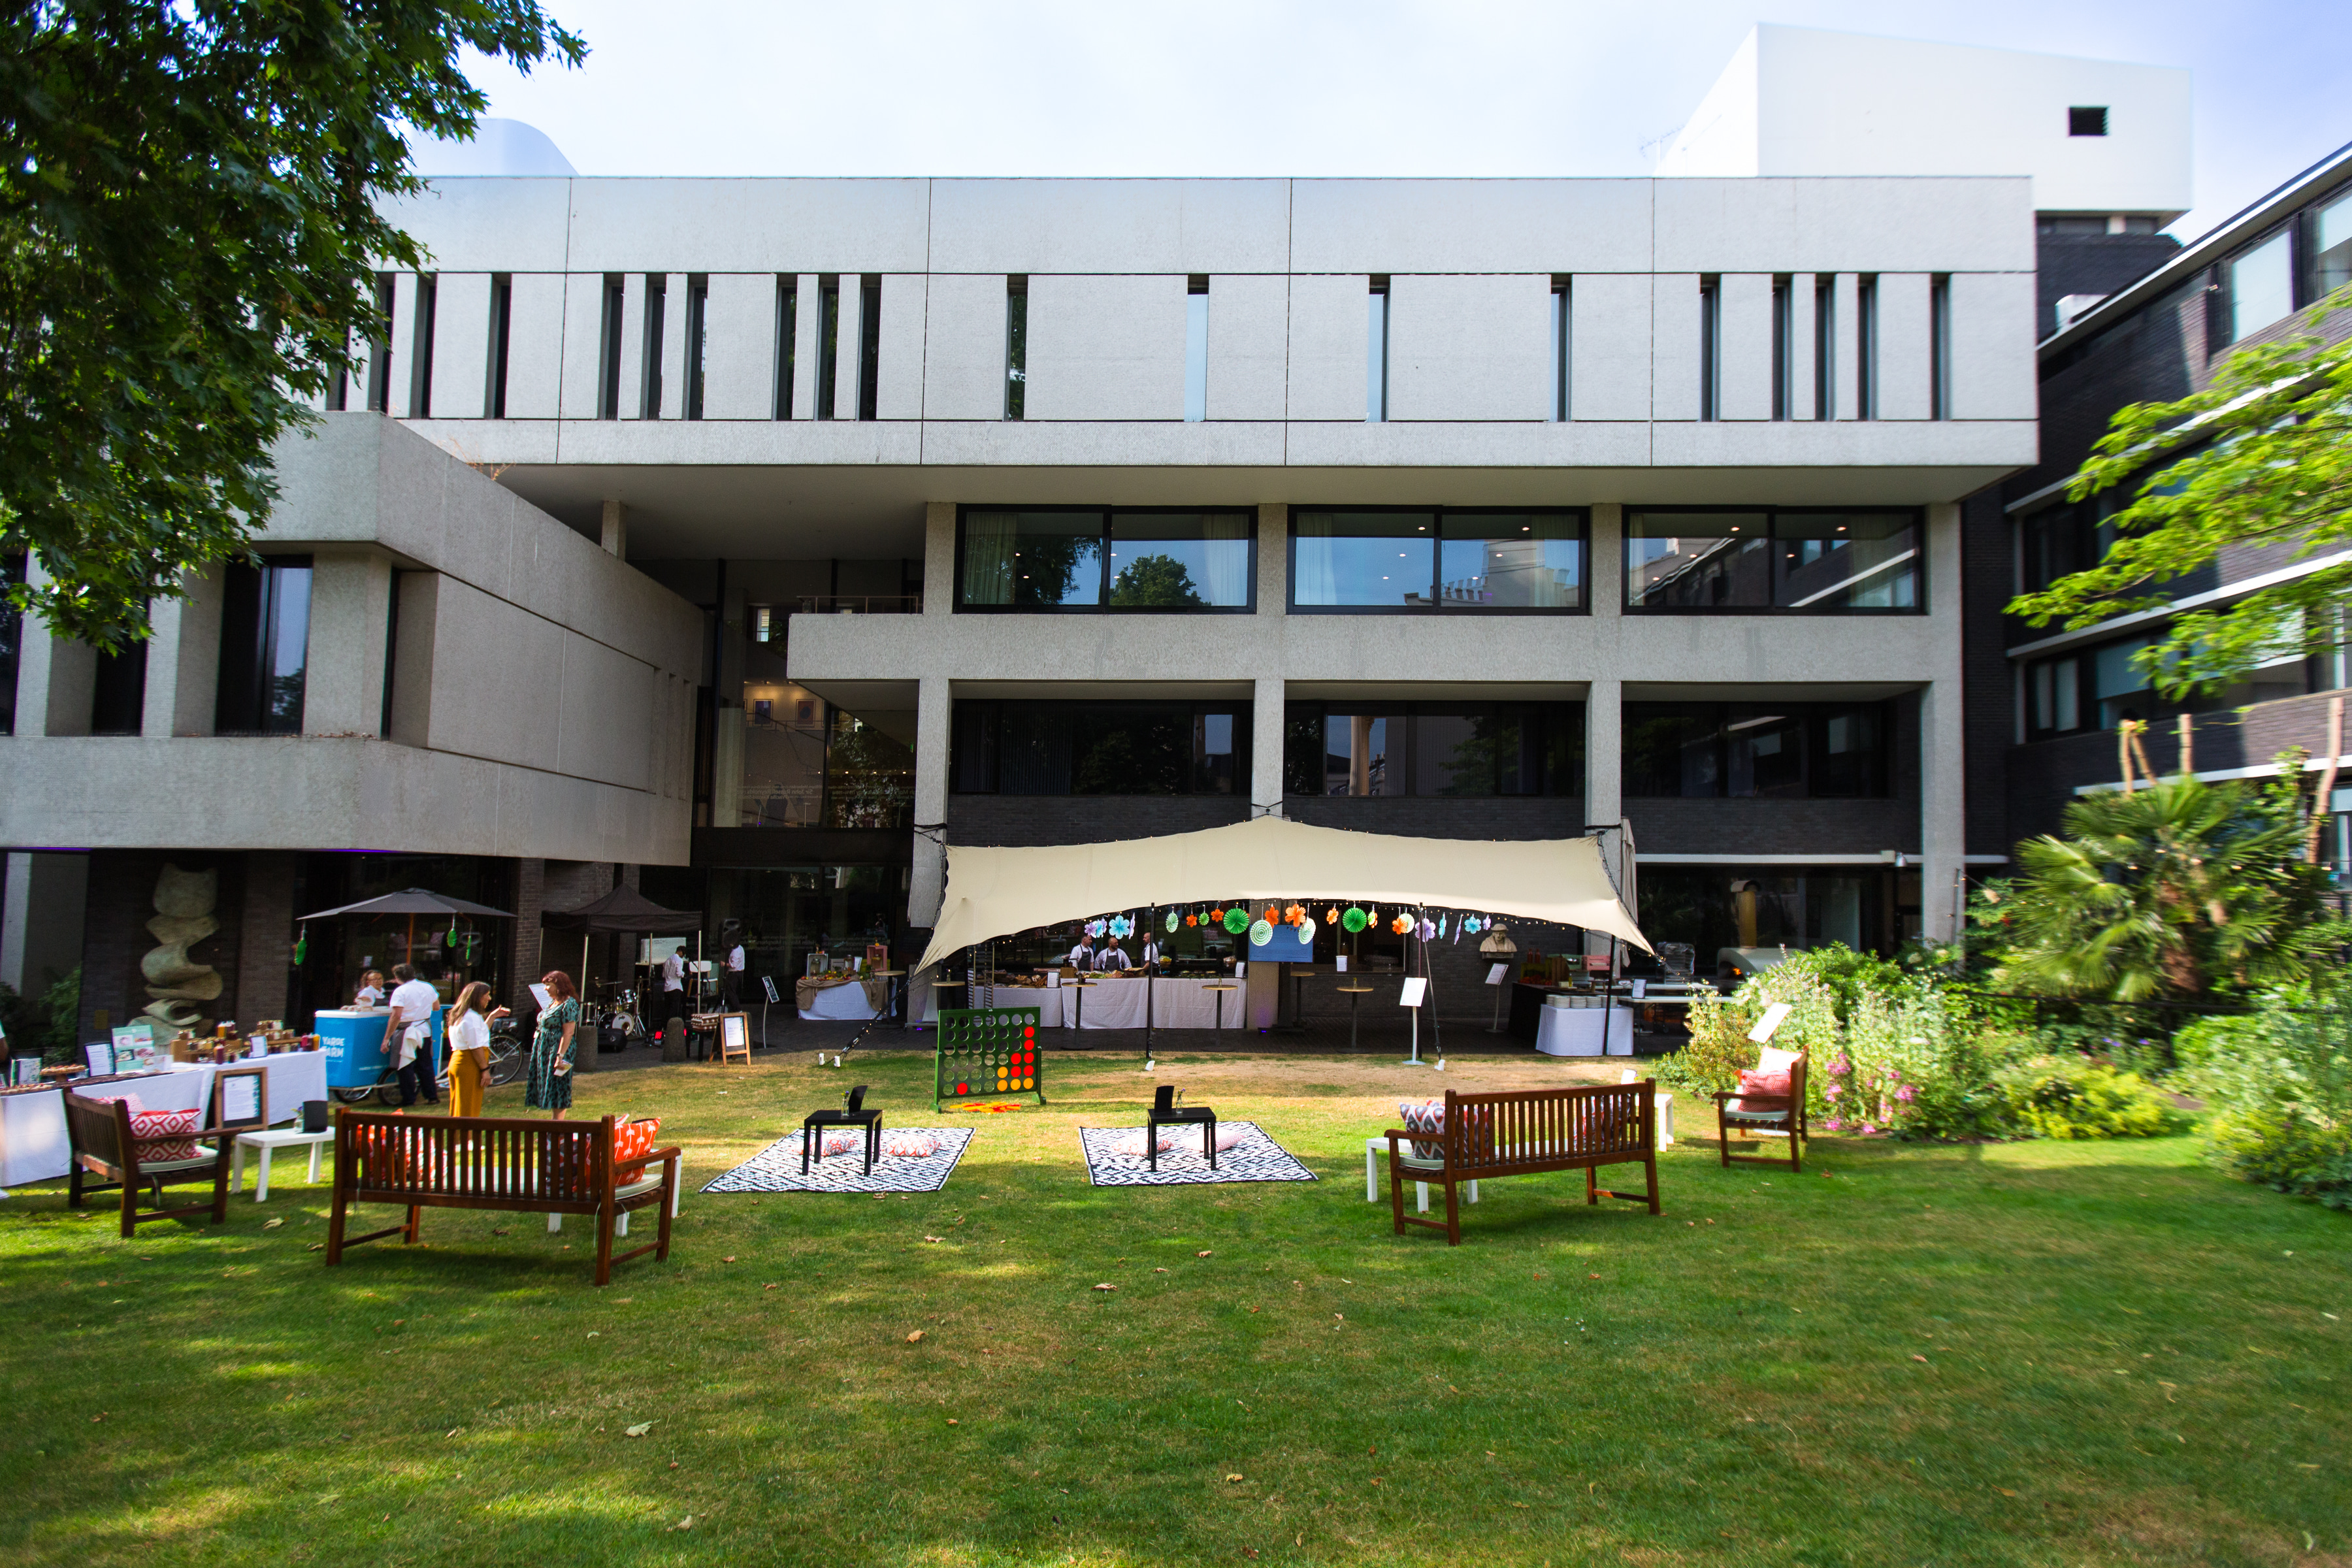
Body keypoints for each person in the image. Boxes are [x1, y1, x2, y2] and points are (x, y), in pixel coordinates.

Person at [446, 981, 509, 1119]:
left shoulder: (462, 1015)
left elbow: (478, 1035)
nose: (489, 999)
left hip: (460, 1060)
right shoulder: (471, 1018)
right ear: (477, 997)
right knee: (468, 1109)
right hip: (469, 1063)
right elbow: (475, 1047)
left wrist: (492, 1017)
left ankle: (458, 1138)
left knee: (459, 1107)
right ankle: (464, 1139)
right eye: (487, 995)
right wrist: (485, 1070)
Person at [384, 964, 442, 1107]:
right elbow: (437, 1007)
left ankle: (409, 1099)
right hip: (424, 1029)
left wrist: (386, 1038)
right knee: (426, 1065)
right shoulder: (428, 987)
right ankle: (432, 1096)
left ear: (397, 978)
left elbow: (396, 1016)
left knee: (405, 1065)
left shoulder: (400, 991)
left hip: (406, 1030)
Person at [526, 970, 580, 1120]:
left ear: (559, 986)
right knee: (549, 1085)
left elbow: (568, 1032)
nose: (545, 989)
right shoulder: (553, 1002)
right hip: (545, 1048)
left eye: (548, 985)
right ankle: (554, 1126)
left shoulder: (569, 1004)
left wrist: (560, 1056)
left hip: (559, 1050)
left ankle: (557, 1127)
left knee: (559, 1087)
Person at [721, 925, 746, 1011]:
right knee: (733, 991)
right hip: (738, 972)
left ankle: (737, 1009)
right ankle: (734, 1008)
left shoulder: (735, 952)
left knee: (731, 992)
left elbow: (734, 965)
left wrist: (725, 964)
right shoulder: (741, 948)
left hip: (735, 973)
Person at [659, 945, 686, 1023]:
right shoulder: (679, 960)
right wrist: (683, 974)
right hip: (676, 987)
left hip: (667, 987)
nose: (683, 956)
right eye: (683, 954)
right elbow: (679, 973)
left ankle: (665, 1026)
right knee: (675, 1009)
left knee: (667, 1008)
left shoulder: (668, 960)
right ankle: (673, 1026)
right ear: (680, 951)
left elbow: (664, 975)